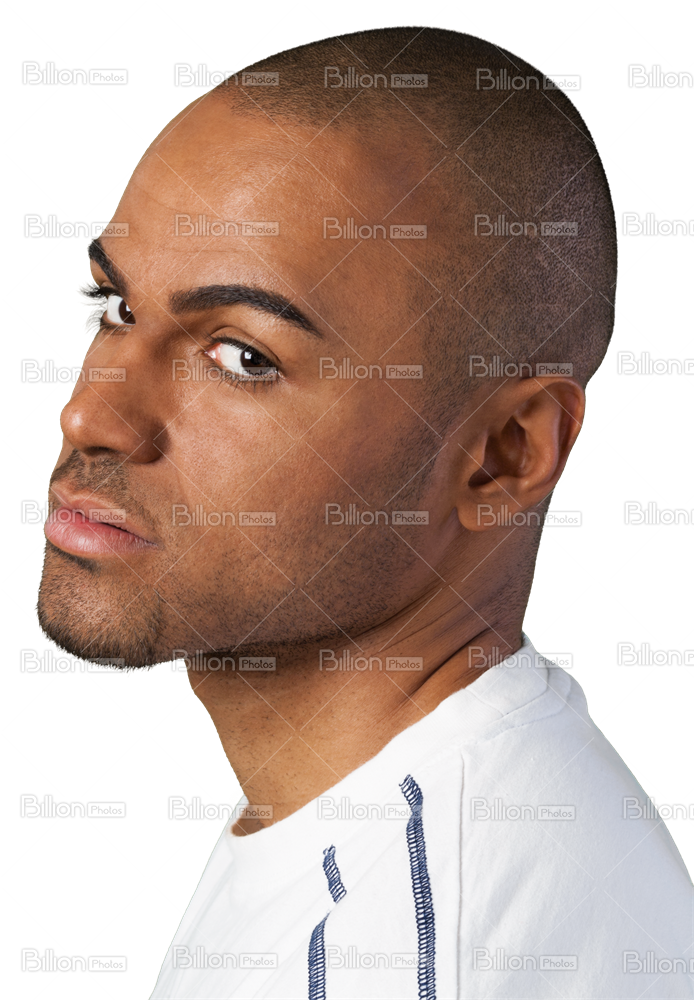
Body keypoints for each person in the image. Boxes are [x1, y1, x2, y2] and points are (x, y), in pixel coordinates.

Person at [35, 25, 693, 1000]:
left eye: (243, 357)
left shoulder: (392, 947)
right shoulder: (415, 818)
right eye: (115, 311)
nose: (90, 415)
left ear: (504, 453)